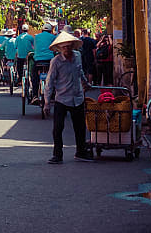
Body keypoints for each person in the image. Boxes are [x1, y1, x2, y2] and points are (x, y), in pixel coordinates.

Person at [44, 30, 93, 163]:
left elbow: (80, 71)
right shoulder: (56, 62)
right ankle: (57, 155)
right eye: (64, 47)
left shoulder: (77, 56)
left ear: (72, 46)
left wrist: (86, 83)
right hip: (62, 98)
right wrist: (47, 102)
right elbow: (49, 82)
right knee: (58, 128)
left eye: (69, 46)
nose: (67, 49)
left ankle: (81, 151)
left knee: (80, 127)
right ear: (59, 48)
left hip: (77, 97)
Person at [31, 21, 56, 103]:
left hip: (38, 60)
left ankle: (34, 95)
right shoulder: (53, 37)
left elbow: (34, 48)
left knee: (34, 76)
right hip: (50, 60)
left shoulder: (37, 37)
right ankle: (53, 93)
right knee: (54, 76)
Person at [14, 23, 34, 88]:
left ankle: (20, 78)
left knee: (19, 67)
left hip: (20, 56)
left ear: (22, 30)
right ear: (28, 30)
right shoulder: (30, 37)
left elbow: (15, 47)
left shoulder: (18, 37)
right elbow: (34, 46)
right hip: (29, 56)